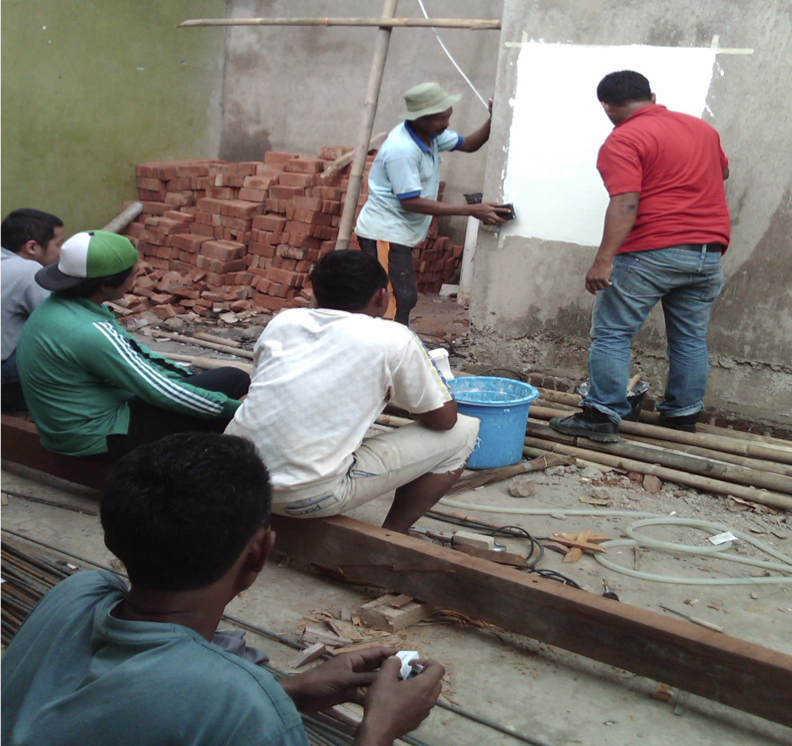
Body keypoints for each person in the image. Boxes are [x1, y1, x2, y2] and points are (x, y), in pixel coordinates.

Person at [1, 432, 445, 746]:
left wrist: (288, 691)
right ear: (259, 553)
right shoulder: (247, 711)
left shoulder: (77, 591)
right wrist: (379, 730)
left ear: (112, 538)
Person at [226, 250, 480, 533]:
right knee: (464, 431)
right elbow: (445, 419)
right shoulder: (392, 337)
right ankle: (391, 537)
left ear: (316, 292)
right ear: (381, 296)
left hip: (232, 478)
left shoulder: (284, 322)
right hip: (305, 495)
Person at [550, 70, 730, 443]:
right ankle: (683, 415)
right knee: (690, 338)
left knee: (612, 332)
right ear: (652, 96)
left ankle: (601, 415)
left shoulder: (624, 139)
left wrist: (603, 260)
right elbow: (722, 171)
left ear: (607, 106)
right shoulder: (703, 130)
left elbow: (626, 201)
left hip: (653, 252)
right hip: (707, 255)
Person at [16, 229, 249, 457]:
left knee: (228, 379)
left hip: (71, 426)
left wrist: (189, 378)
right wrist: (238, 410)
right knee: (227, 397)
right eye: (134, 274)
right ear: (105, 284)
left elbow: (140, 356)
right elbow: (161, 391)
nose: (136, 279)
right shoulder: (89, 331)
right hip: (94, 436)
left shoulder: (62, 306)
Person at [355, 81, 510, 325]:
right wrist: (471, 210)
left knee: (401, 297)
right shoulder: (402, 150)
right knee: (392, 300)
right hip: (384, 233)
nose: (446, 123)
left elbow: (469, 144)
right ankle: (388, 344)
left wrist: (493, 118)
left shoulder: (430, 135)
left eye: (448, 116)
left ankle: (396, 342)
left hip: (398, 233)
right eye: (440, 118)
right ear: (420, 118)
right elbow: (410, 202)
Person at [1, 208, 65, 414]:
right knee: (61, 348)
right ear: (32, 247)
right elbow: (60, 325)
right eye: (58, 244)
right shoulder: (30, 271)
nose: (61, 251)